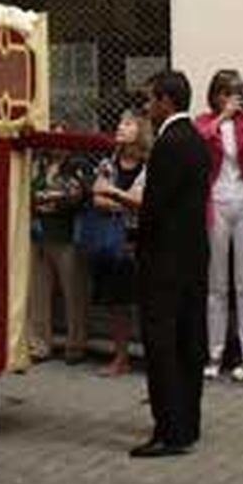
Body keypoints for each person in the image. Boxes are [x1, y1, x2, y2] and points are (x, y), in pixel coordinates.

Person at [131, 70, 211, 457]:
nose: (146, 108)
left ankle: (169, 430)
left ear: (166, 101)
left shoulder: (169, 144)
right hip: (192, 256)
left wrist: (119, 202)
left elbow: (155, 207)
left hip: (164, 261)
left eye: (150, 100)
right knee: (188, 341)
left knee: (162, 344)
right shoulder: (196, 140)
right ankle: (188, 422)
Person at [194, 70, 243, 382]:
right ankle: (214, 352)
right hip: (216, 204)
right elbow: (197, 147)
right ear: (216, 95)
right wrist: (220, 119)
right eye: (227, 92)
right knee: (216, 284)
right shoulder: (203, 121)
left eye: (237, 92)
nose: (233, 99)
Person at [86, 109, 151, 378]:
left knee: (146, 301)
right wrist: (123, 201)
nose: (121, 128)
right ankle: (121, 356)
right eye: (120, 123)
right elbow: (96, 198)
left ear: (140, 131)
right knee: (117, 303)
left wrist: (116, 199)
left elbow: (141, 200)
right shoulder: (108, 162)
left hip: (140, 241)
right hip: (113, 241)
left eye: (128, 124)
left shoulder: (150, 164)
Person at [28, 141, 93, 363]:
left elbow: (79, 193)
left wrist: (49, 197)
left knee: (73, 291)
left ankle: (75, 345)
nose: (55, 144)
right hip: (39, 234)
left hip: (67, 236)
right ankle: (39, 344)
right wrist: (50, 197)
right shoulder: (38, 163)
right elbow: (28, 191)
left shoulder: (78, 165)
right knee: (38, 292)